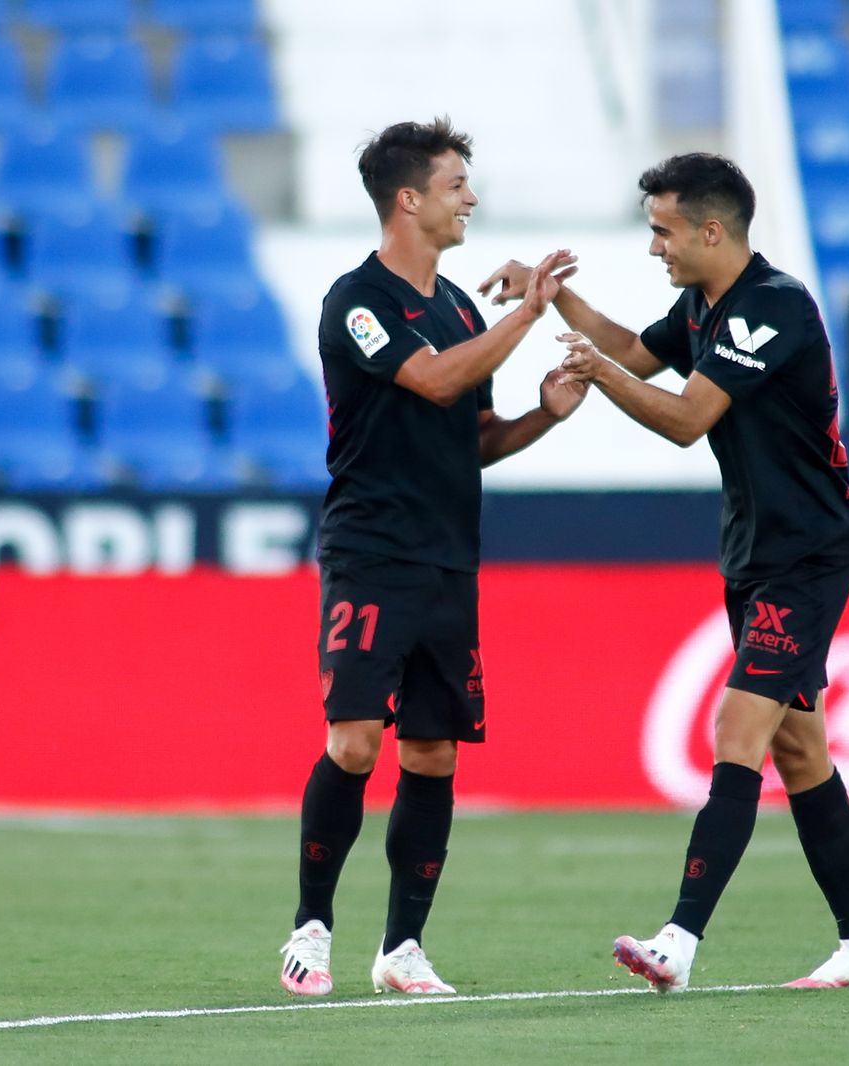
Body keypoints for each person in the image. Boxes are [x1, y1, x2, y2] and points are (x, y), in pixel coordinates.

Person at [479, 153, 849, 992]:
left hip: (803, 555)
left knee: (736, 734)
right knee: (800, 750)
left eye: (663, 231)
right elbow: (637, 351)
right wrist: (553, 295)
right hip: (753, 550)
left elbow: (684, 418)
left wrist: (596, 374)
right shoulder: (707, 303)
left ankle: (679, 939)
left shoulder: (770, 309)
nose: (654, 248)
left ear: (713, 229)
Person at [279, 118, 585, 999]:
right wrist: (529, 312)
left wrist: (544, 415)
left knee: (433, 756)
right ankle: (311, 925)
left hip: (451, 557)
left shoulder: (457, 308)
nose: (471, 201)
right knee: (354, 740)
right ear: (409, 199)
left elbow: (473, 434)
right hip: (372, 550)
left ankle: (401, 949)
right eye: (456, 186)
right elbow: (433, 381)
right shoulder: (358, 301)